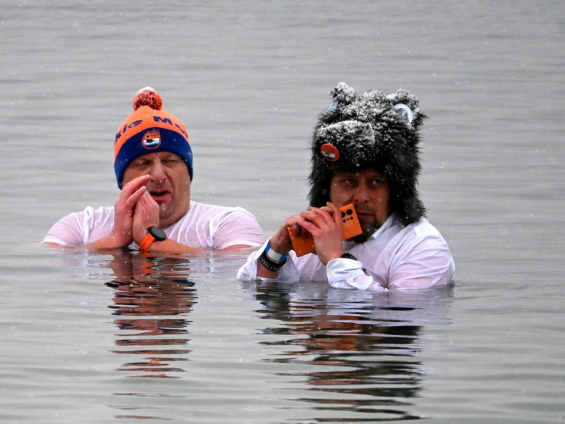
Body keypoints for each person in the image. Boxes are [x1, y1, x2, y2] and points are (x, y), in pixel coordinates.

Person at [237, 82, 455, 290]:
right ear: (327, 186)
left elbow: (397, 312)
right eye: (349, 181)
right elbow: (255, 296)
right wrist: (275, 252)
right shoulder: (313, 235)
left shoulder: (423, 247)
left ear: (396, 190)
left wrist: (336, 259)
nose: (361, 197)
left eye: (376, 182)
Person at [44, 87, 264, 254]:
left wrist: (151, 240)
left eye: (170, 161)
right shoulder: (83, 226)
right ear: (122, 179)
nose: (158, 175)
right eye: (143, 164)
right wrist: (115, 239)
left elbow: (243, 268)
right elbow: (42, 262)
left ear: (189, 173)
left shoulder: (224, 222)